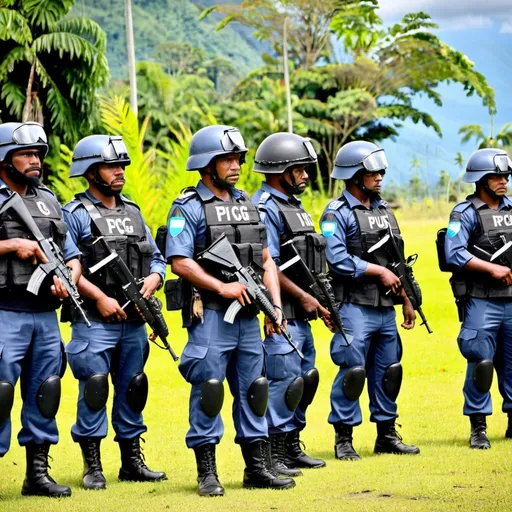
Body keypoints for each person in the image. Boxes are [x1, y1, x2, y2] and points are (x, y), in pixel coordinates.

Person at [165, 125, 295, 496]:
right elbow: (179, 261)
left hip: (249, 318)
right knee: (209, 389)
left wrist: (275, 307)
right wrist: (223, 286)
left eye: (238, 158)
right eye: (227, 159)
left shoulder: (248, 204)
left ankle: (256, 469)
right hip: (211, 316)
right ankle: (207, 473)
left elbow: (268, 261)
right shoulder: (187, 207)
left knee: (255, 389)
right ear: (206, 165)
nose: (236, 165)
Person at [63, 135, 167, 490]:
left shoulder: (133, 211)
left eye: (123, 165)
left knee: (134, 387)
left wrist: (155, 277)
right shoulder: (74, 215)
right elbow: (68, 266)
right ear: (90, 172)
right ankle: (92, 466)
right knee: (94, 387)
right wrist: (98, 299)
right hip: (95, 320)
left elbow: (157, 256)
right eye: (112, 166)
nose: (120, 171)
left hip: (134, 321)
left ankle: (131, 462)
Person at [320, 140, 420, 460]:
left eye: (381, 172)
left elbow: (397, 259)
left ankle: (387, 435)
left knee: (389, 371)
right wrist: (377, 272)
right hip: (353, 306)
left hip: (384, 308)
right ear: (354, 175)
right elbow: (336, 258)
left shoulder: (384, 209)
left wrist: (407, 298)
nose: (379, 177)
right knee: (353, 371)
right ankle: (344, 438)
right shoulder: (336, 213)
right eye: (372, 172)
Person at [0, 122, 82, 497]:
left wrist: (67, 276)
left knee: (45, 391)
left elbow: (71, 252)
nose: (35, 161)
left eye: (37, 154)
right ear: (4, 159)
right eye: (25, 154)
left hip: (45, 315)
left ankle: (36, 474)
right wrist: (11, 245)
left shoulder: (48, 198)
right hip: (5, 312)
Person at [252, 132, 332, 475]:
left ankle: (292, 445)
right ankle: (276, 452)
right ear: (279, 169)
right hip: (282, 312)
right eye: (298, 169)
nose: (305, 175)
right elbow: (267, 263)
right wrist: (300, 296)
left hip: (303, 311)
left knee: (304, 378)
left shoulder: (294, 207)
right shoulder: (265, 208)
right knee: (283, 381)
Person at [444, 148, 512, 449]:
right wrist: (492, 268)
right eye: (496, 176)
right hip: (482, 300)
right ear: (480, 180)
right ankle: (479, 426)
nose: (503, 181)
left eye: (505, 176)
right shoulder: (464, 213)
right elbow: (454, 252)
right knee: (480, 363)